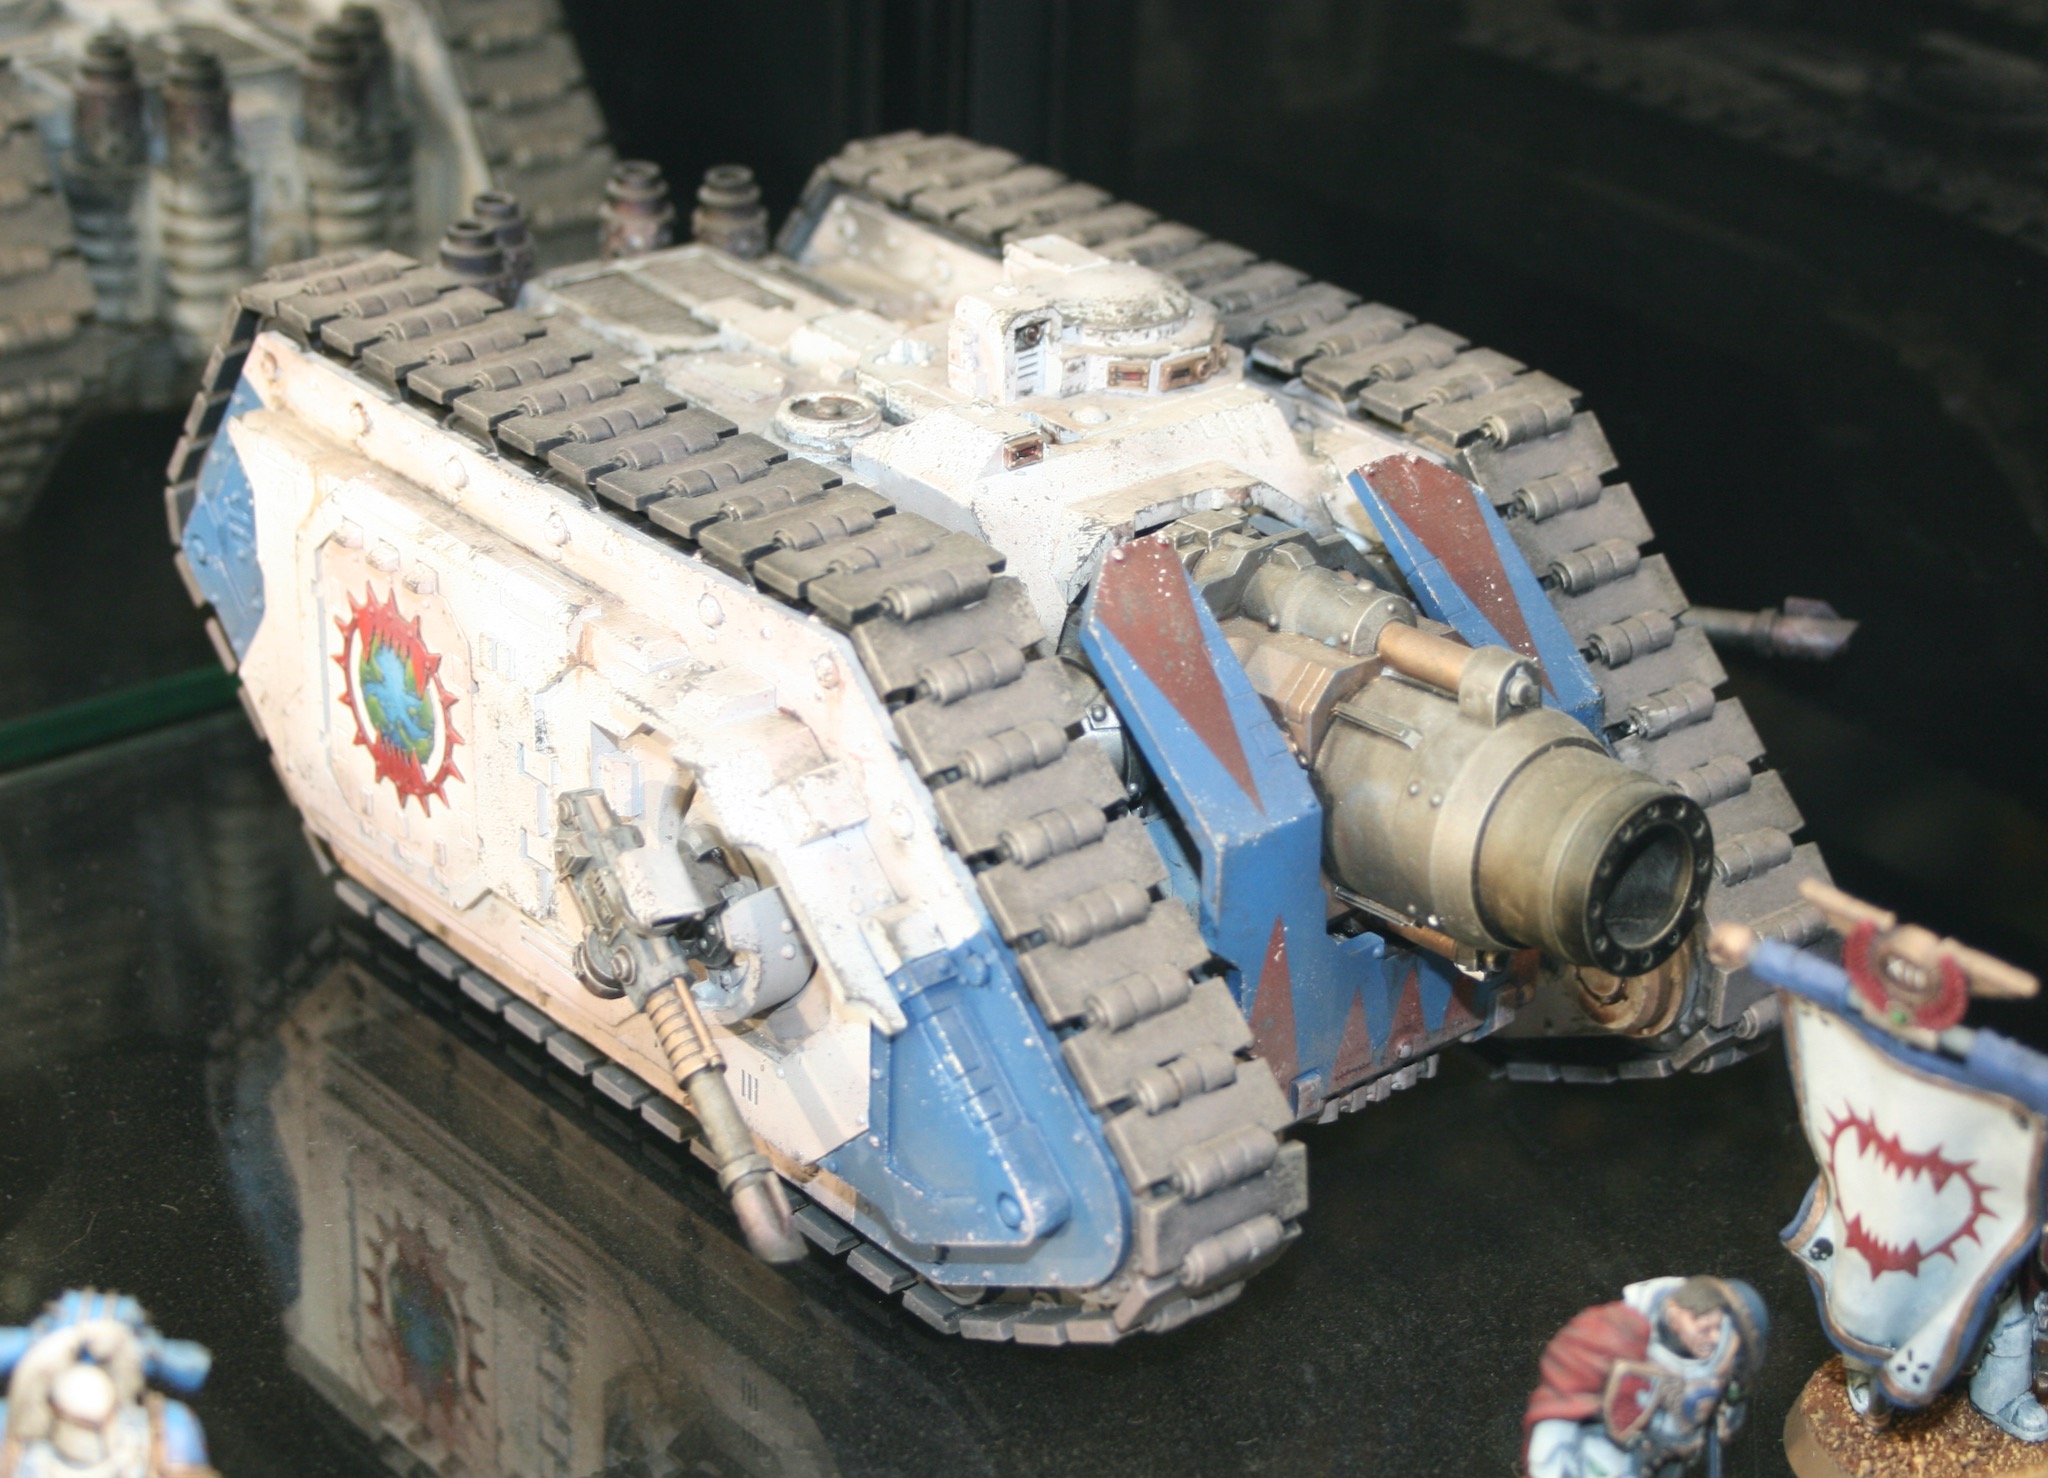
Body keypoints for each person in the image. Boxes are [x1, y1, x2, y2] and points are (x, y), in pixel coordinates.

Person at [1524, 1275, 1768, 1478]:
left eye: (1719, 1331)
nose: (1712, 1338)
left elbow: (1708, 1428)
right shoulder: (1622, 1333)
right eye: (1704, 1328)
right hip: (1594, 1451)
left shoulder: (1717, 1379)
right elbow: (1566, 1401)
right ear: (1675, 1314)